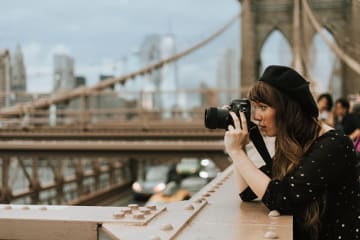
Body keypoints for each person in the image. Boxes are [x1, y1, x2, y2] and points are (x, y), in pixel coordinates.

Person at [224, 65, 360, 240]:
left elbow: (283, 198)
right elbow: (248, 192)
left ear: (288, 109)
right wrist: (240, 146)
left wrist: (236, 153)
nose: (256, 116)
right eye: (255, 107)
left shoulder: (333, 144)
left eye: (263, 107)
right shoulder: (296, 142)